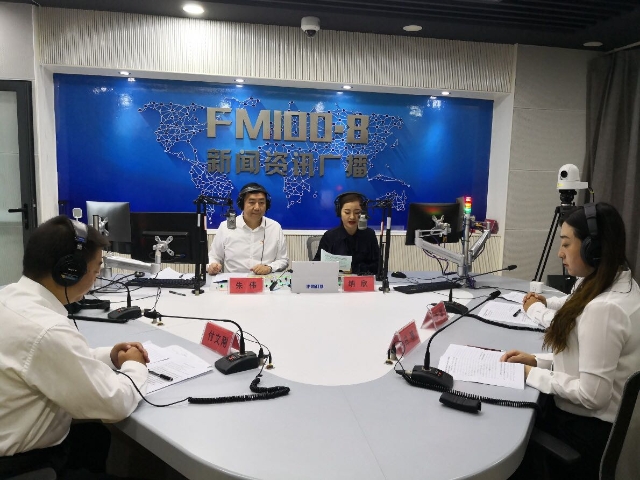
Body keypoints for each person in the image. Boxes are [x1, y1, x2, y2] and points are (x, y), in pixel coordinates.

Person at [0, 216, 150, 479]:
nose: (95, 280)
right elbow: (114, 403)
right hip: (24, 466)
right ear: (69, 272)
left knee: (94, 437)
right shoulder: (47, 330)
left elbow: (50, 360)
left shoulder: (9, 297)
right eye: (95, 271)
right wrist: (134, 365)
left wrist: (109, 356)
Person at [500, 202, 640, 480]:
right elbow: (585, 359)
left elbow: (592, 395)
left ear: (593, 248)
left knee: (505, 429)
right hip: (595, 422)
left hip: (585, 434)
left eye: (566, 243)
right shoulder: (612, 283)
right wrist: (537, 360)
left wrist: (531, 374)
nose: (560, 253)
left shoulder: (604, 309)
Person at [207, 182, 289, 275]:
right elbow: (214, 256)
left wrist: (269, 268)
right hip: (233, 281)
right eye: (252, 202)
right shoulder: (225, 227)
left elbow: (283, 260)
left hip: (264, 281)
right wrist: (212, 265)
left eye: (261, 202)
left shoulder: (275, 227)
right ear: (242, 204)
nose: (257, 207)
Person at [313, 192, 380, 274]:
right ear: (339, 213)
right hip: (337, 280)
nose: (352, 217)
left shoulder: (369, 235)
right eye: (347, 212)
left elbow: (378, 266)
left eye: (357, 212)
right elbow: (317, 264)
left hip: (362, 280)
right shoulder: (330, 236)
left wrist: (355, 269)